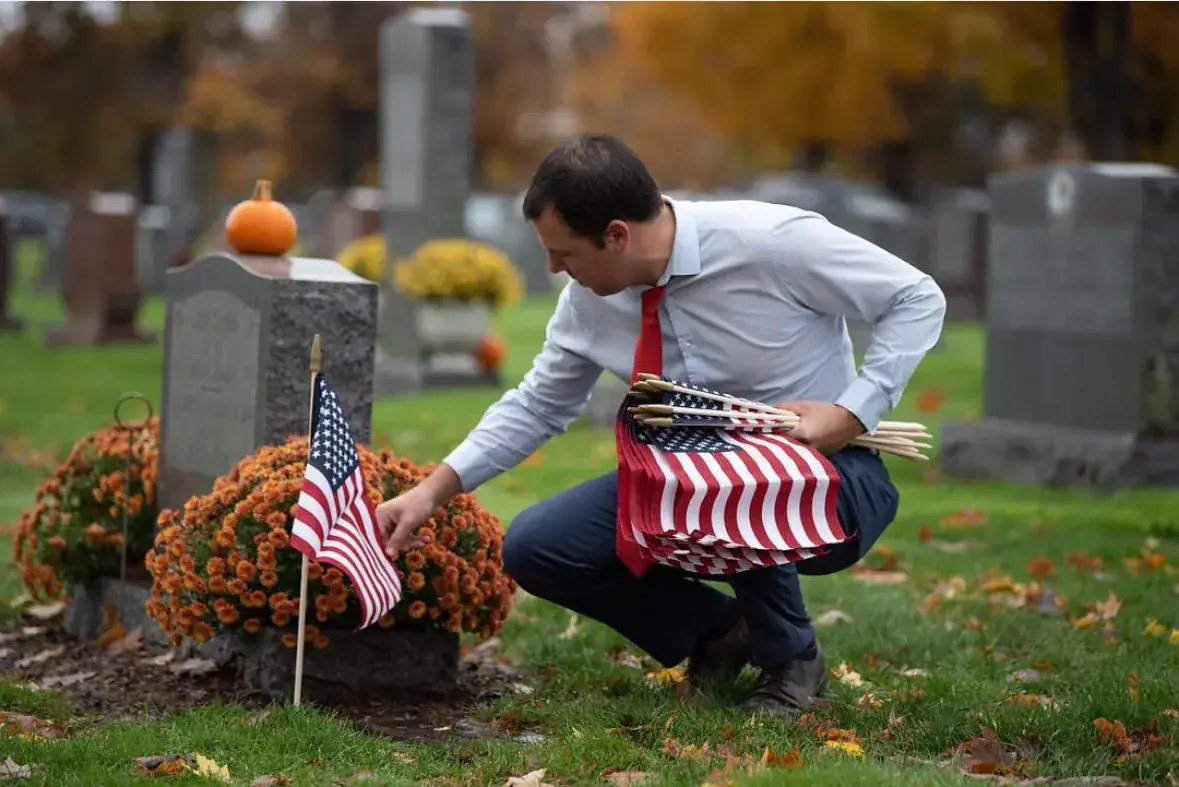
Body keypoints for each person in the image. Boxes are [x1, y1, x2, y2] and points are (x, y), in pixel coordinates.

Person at [376, 133, 946, 716]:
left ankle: (793, 661)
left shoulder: (771, 242)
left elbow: (916, 297)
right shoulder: (589, 301)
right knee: (538, 547)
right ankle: (720, 633)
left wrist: (851, 413)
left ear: (616, 235)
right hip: (689, 485)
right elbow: (537, 405)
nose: (553, 267)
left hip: (834, 483)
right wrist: (430, 492)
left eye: (565, 253)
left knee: (726, 476)